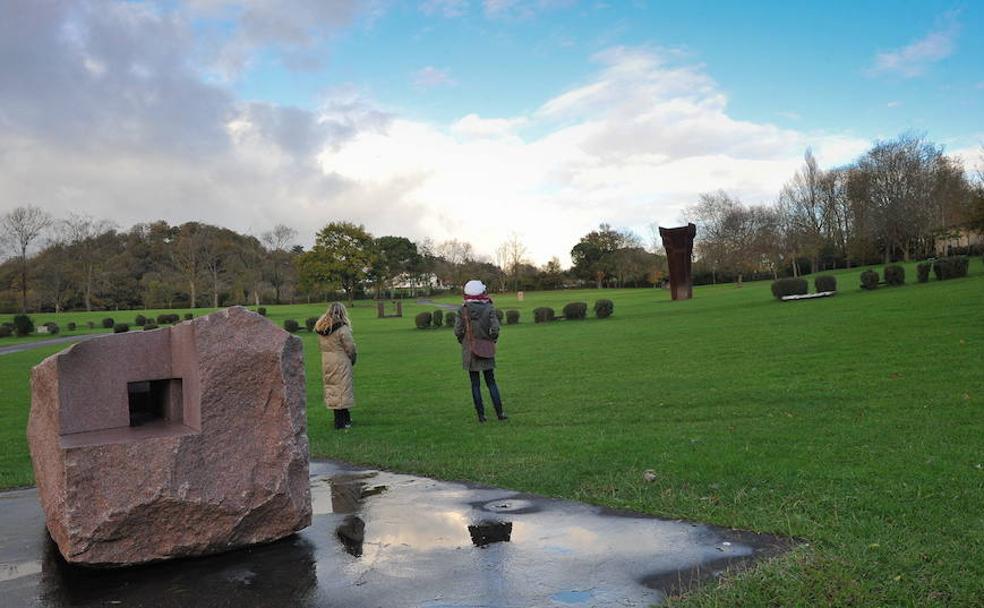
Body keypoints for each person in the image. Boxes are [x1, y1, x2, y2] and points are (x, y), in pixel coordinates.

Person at [454, 280, 508, 423]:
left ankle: (481, 416)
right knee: (491, 382)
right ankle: (500, 413)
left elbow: (458, 331)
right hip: (486, 347)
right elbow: (495, 329)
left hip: (470, 350)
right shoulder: (489, 307)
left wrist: (463, 342)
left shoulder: (463, 309)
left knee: (475, 384)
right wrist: (492, 340)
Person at [315, 302, 357, 429]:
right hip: (341, 360)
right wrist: (353, 359)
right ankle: (342, 421)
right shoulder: (342, 329)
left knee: (332, 388)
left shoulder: (322, 328)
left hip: (327, 361)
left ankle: (341, 417)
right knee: (343, 389)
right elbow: (350, 348)